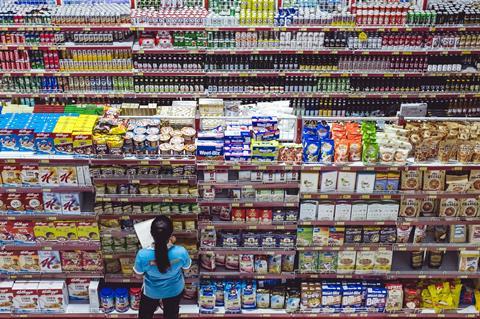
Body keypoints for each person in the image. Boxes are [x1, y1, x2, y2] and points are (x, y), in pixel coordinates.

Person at [133, 216, 191, 319]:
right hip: (174, 290)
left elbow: (138, 276)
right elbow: (186, 271)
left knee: (145, 314)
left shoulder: (142, 255)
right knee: (171, 314)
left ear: (151, 234)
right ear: (171, 234)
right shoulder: (181, 252)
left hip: (151, 292)